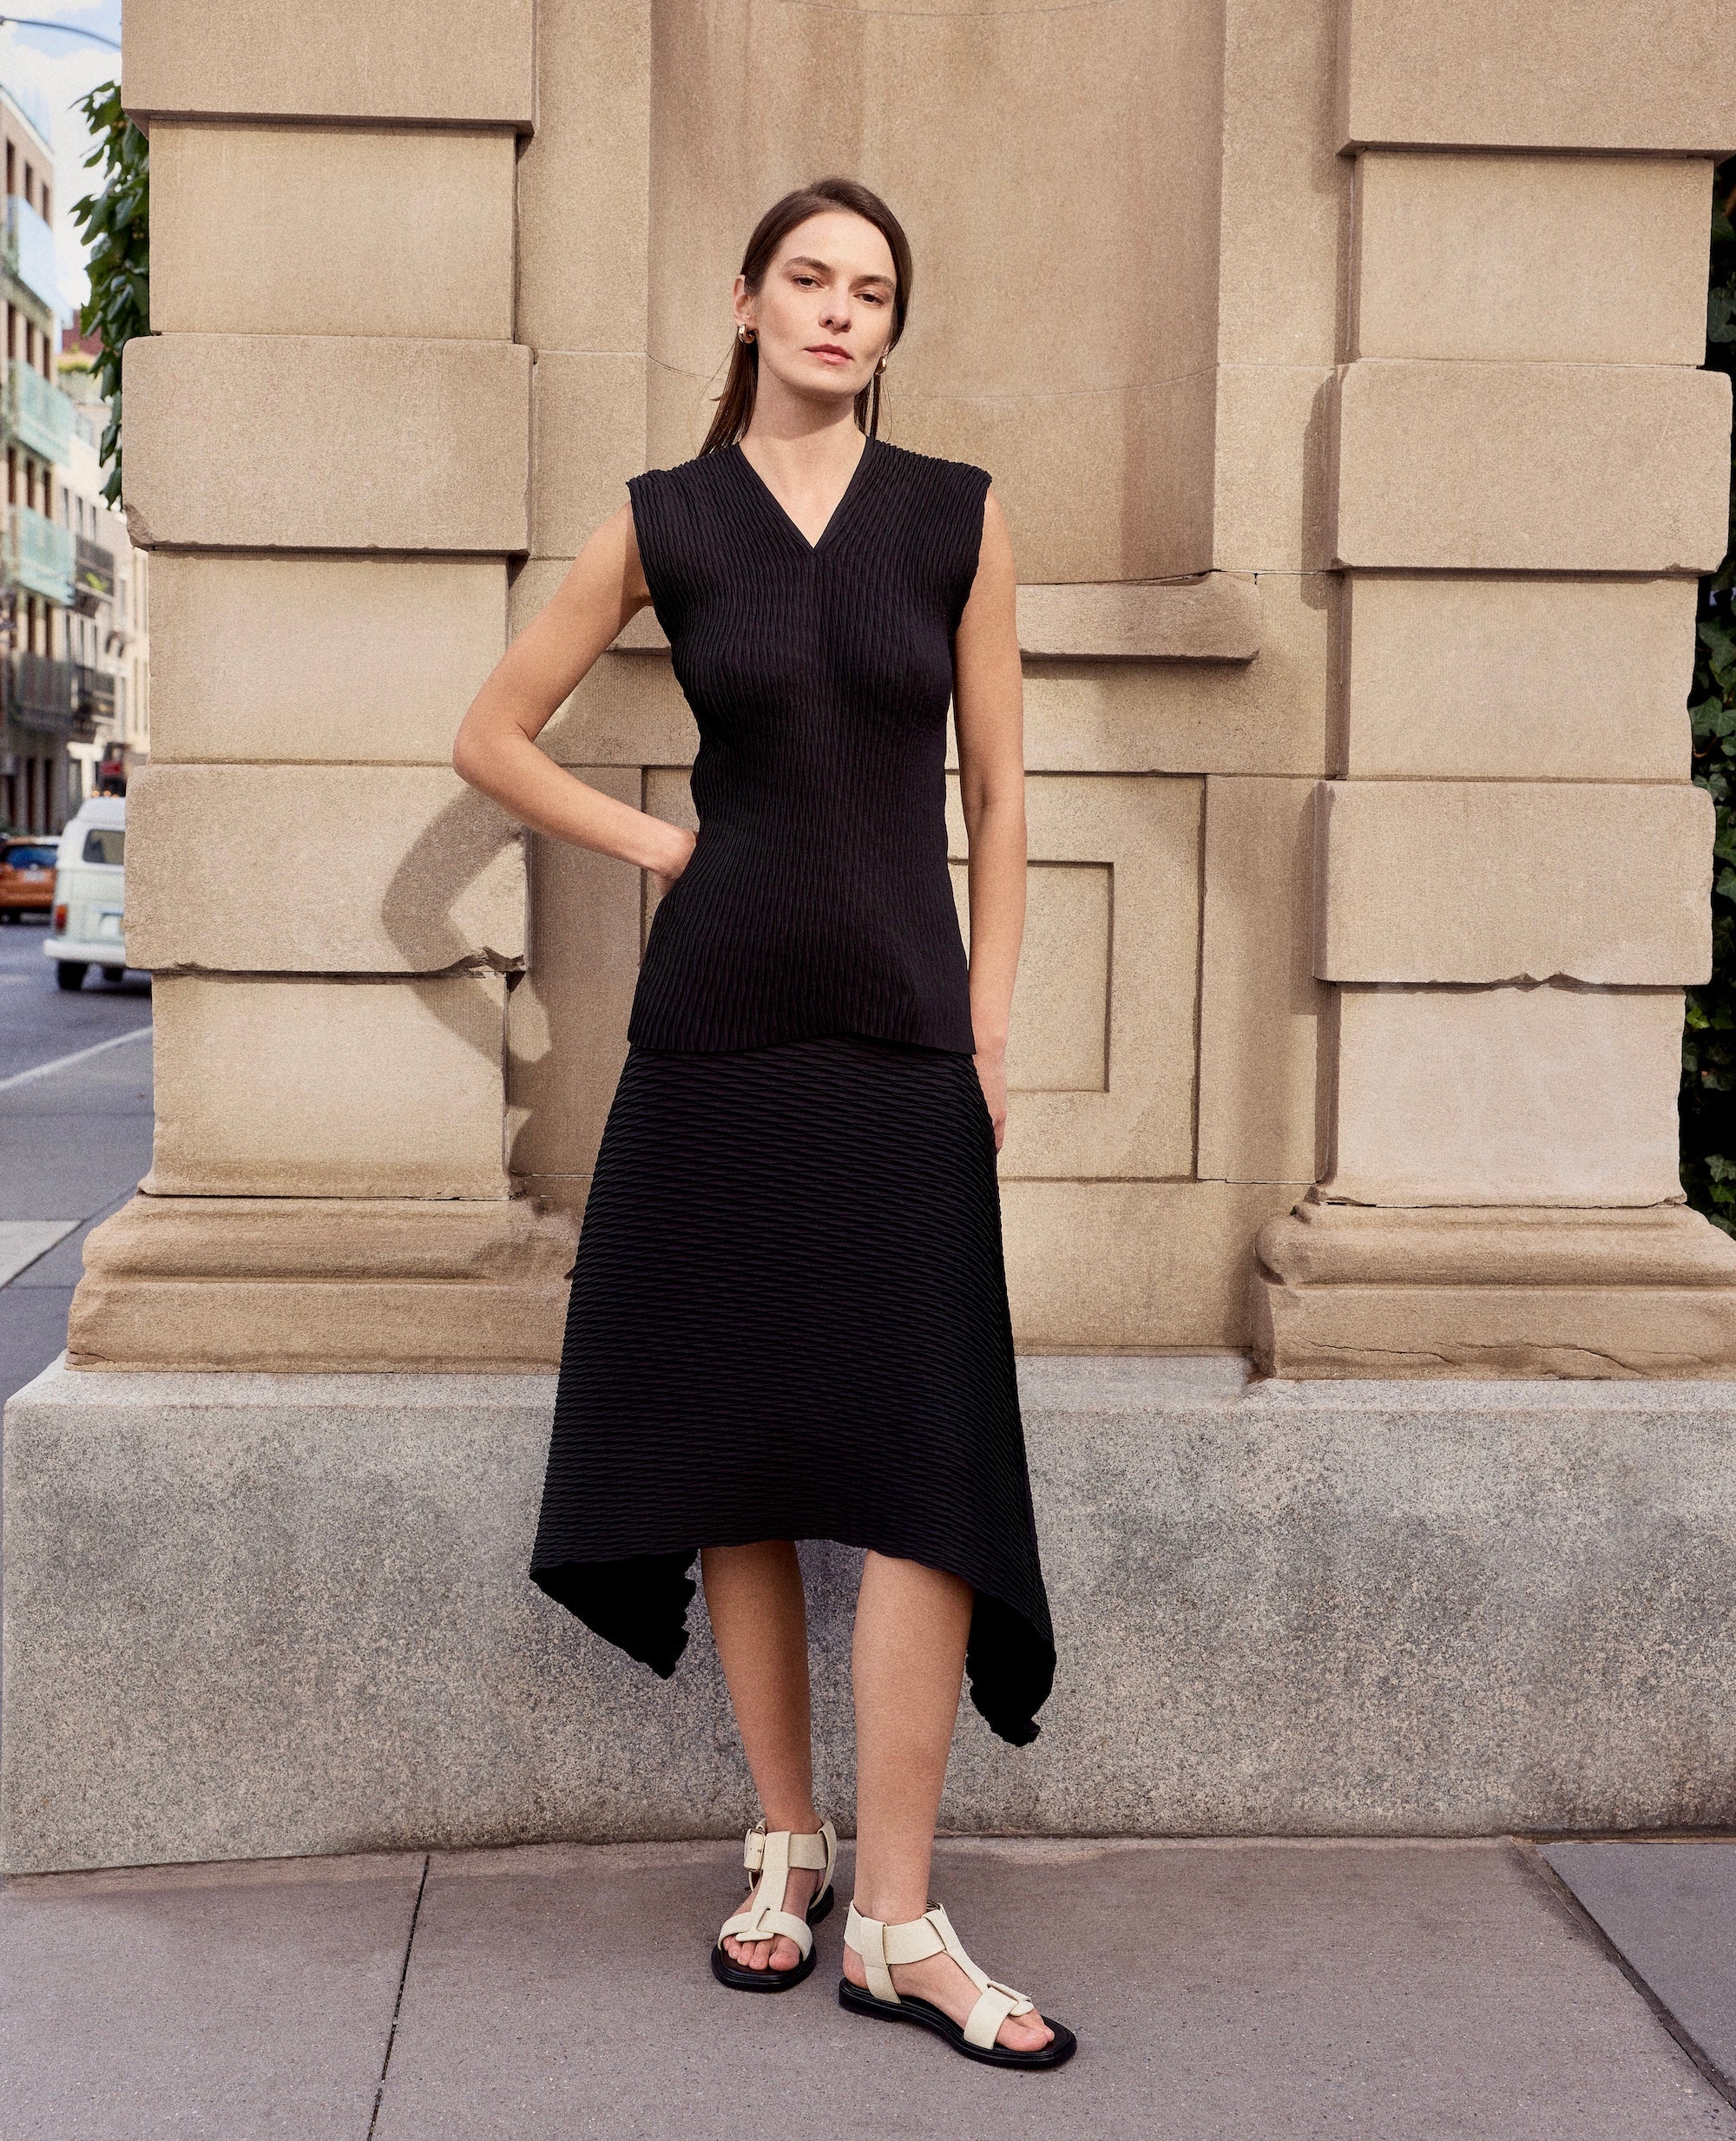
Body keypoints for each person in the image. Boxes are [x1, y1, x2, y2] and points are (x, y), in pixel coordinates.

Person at [452, 176, 1073, 2071]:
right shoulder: (665, 523)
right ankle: (785, 1840)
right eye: (807, 278)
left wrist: (983, 1018)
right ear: (745, 300)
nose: (837, 311)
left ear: (894, 325)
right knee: (729, 1439)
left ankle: (897, 1913)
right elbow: (492, 731)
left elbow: (998, 788)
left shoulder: (954, 520)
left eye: (871, 289)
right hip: (714, 1032)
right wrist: (663, 843)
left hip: (896, 1035)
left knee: (918, 1467)